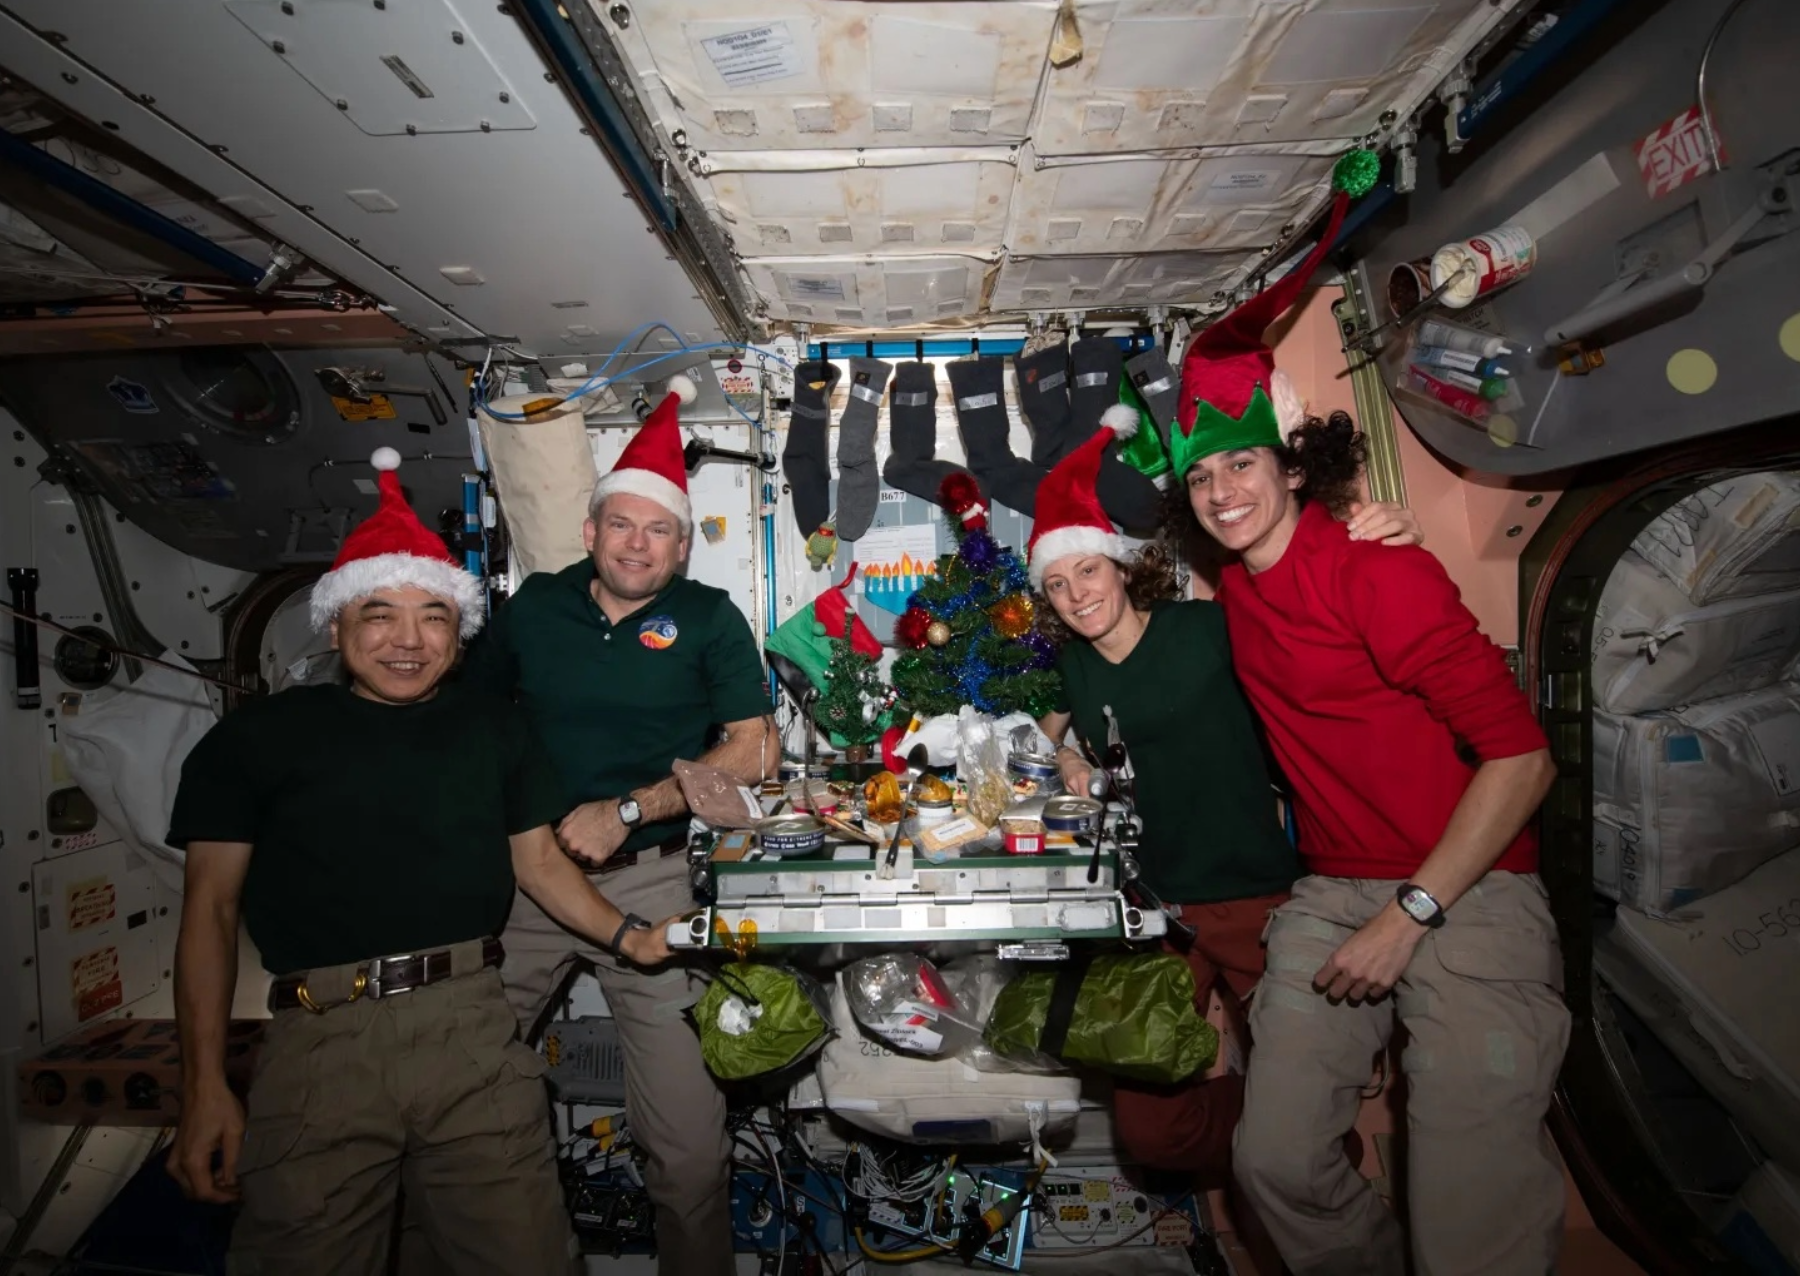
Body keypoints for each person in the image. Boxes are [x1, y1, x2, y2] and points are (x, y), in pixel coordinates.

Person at [1165, 182, 1569, 1275]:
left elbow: (1524, 760)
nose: (1221, 489)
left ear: (1292, 464)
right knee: (1277, 1161)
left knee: (1467, 1211)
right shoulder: (1239, 592)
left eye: (1242, 461)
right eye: (1200, 473)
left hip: (1470, 888)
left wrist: (1414, 910)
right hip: (1335, 888)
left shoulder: (1378, 572)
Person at [165, 449, 681, 1276]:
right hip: (322, 1044)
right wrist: (202, 1087)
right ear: (337, 626)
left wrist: (634, 938)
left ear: (459, 632)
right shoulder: (257, 740)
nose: (408, 640)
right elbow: (210, 913)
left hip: (472, 1030)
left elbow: (541, 867)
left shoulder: (494, 732)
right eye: (380, 614)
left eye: (433, 616)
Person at [1027, 404, 1419, 1184]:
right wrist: (1064, 758)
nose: (1077, 594)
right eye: (1059, 584)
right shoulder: (1073, 668)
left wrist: (1372, 528)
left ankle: (1303, 1186)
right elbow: (1029, 751)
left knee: (1310, 1124)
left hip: (1258, 896)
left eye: (1088, 571)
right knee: (1153, 1133)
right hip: (1157, 912)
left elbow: (1304, 605)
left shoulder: (1207, 627)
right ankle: (1258, 1157)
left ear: (1120, 566)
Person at [459, 375, 773, 1276]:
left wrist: (632, 807)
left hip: (656, 883)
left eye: (660, 530)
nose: (639, 544)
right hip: (527, 885)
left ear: (681, 547)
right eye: (623, 525)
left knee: (686, 1149)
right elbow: (469, 726)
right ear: (591, 531)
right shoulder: (534, 610)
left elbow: (754, 753)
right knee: (461, 1095)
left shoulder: (709, 618)